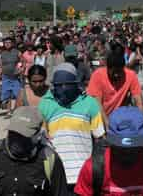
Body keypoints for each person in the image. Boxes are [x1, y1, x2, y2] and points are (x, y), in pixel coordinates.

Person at [0, 106, 69, 196]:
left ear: (37, 135)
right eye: (13, 133)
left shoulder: (50, 159)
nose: (16, 140)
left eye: (23, 136)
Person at [74, 106, 143, 196]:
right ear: (110, 143)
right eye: (120, 150)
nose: (127, 155)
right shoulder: (93, 168)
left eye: (133, 149)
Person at [38, 63, 105, 193]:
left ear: (75, 84)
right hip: (55, 174)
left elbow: (99, 139)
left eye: (67, 85)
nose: (63, 89)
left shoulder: (90, 103)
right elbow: (41, 138)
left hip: (83, 174)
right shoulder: (45, 104)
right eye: (59, 85)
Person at [87, 43, 143, 121]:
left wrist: (140, 123)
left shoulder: (131, 75)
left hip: (118, 119)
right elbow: (97, 106)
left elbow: (139, 102)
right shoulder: (97, 75)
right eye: (114, 72)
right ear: (108, 68)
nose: (117, 75)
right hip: (98, 119)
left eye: (119, 72)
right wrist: (108, 126)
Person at [0, 37, 22, 118]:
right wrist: (0, 74)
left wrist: (21, 69)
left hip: (15, 77)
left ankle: (16, 111)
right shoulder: (3, 53)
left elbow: (23, 61)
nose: (7, 44)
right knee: (7, 95)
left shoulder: (17, 52)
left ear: (12, 43)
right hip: (5, 77)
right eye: (6, 43)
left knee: (16, 94)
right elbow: (1, 64)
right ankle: (9, 111)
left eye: (9, 42)